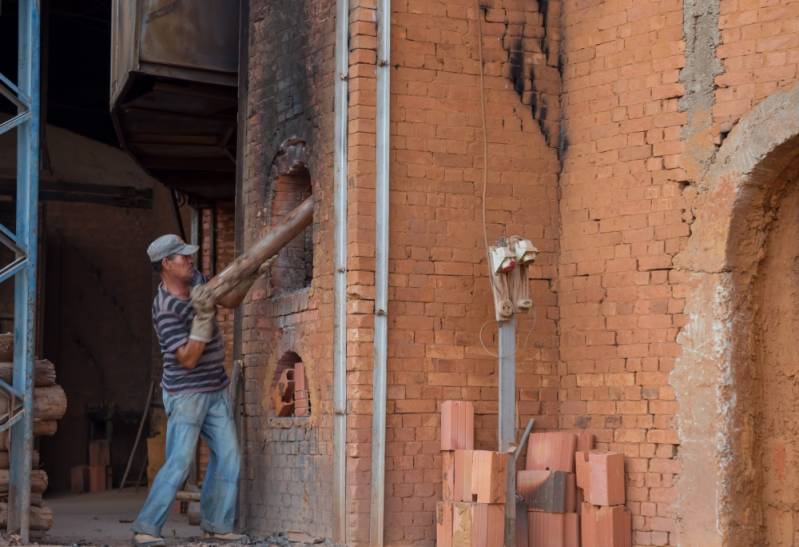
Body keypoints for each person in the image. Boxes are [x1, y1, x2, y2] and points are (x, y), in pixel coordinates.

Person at [132, 234, 268, 546]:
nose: (191, 260)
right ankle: (146, 527)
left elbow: (228, 300)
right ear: (166, 264)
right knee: (179, 463)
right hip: (186, 394)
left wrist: (252, 276)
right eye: (183, 257)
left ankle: (216, 525)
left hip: (215, 387)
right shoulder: (165, 308)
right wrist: (203, 318)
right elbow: (189, 359)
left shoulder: (196, 279)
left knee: (229, 456)